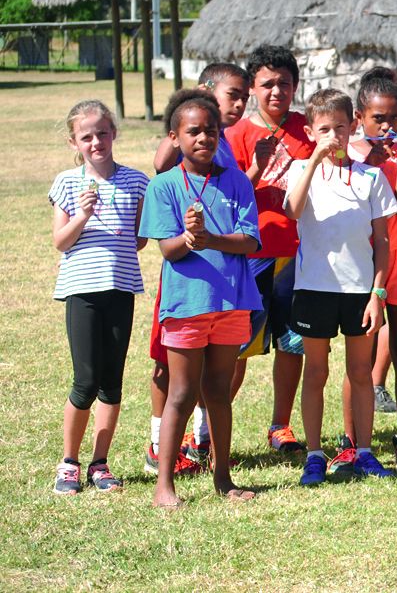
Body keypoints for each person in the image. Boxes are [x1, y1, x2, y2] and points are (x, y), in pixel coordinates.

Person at [139, 90, 261, 507]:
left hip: (230, 303)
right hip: (187, 305)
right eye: (193, 132)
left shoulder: (237, 181)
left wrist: (212, 237)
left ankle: (223, 479)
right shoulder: (164, 186)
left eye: (211, 130)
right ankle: (164, 486)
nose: (204, 138)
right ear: (175, 137)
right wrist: (190, 238)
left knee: (218, 392)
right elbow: (168, 250)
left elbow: (248, 241)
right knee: (181, 392)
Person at [284, 89, 397, 485]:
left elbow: (383, 241)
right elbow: (292, 212)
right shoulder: (301, 171)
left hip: (359, 291)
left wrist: (377, 293)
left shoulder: (372, 176)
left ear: (353, 127)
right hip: (314, 288)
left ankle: (364, 451)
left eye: (339, 127)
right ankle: (314, 454)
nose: (332, 136)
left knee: (360, 372)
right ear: (310, 131)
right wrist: (314, 160)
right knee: (315, 372)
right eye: (323, 129)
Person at [49, 100, 149, 494]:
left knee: (112, 383)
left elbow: (140, 238)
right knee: (85, 380)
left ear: (114, 134)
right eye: (86, 136)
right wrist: (82, 216)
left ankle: (100, 464)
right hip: (82, 292)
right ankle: (69, 463)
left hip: (120, 289)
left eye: (102, 133)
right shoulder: (68, 183)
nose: (96, 142)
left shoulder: (136, 182)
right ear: (74, 141)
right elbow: (60, 241)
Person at [331, 67, 397, 476]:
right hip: (362, 265)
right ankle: (352, 442)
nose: (386, 126)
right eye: (377, 119)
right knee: (360, 356)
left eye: (393, 117)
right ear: (359, 118)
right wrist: (368, 157)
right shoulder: (348, 157)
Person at [223, 44, 312, 453]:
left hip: (296, 254)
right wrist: (256, 167)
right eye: (268, 84)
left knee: (292, 344)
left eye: (285, 83)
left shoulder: (307, 129)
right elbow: (227, 193)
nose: (277, 91)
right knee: (236, 347)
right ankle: (209, 427)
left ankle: (281, 425)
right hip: (250, 255)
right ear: (253, 88)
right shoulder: (234, 134)